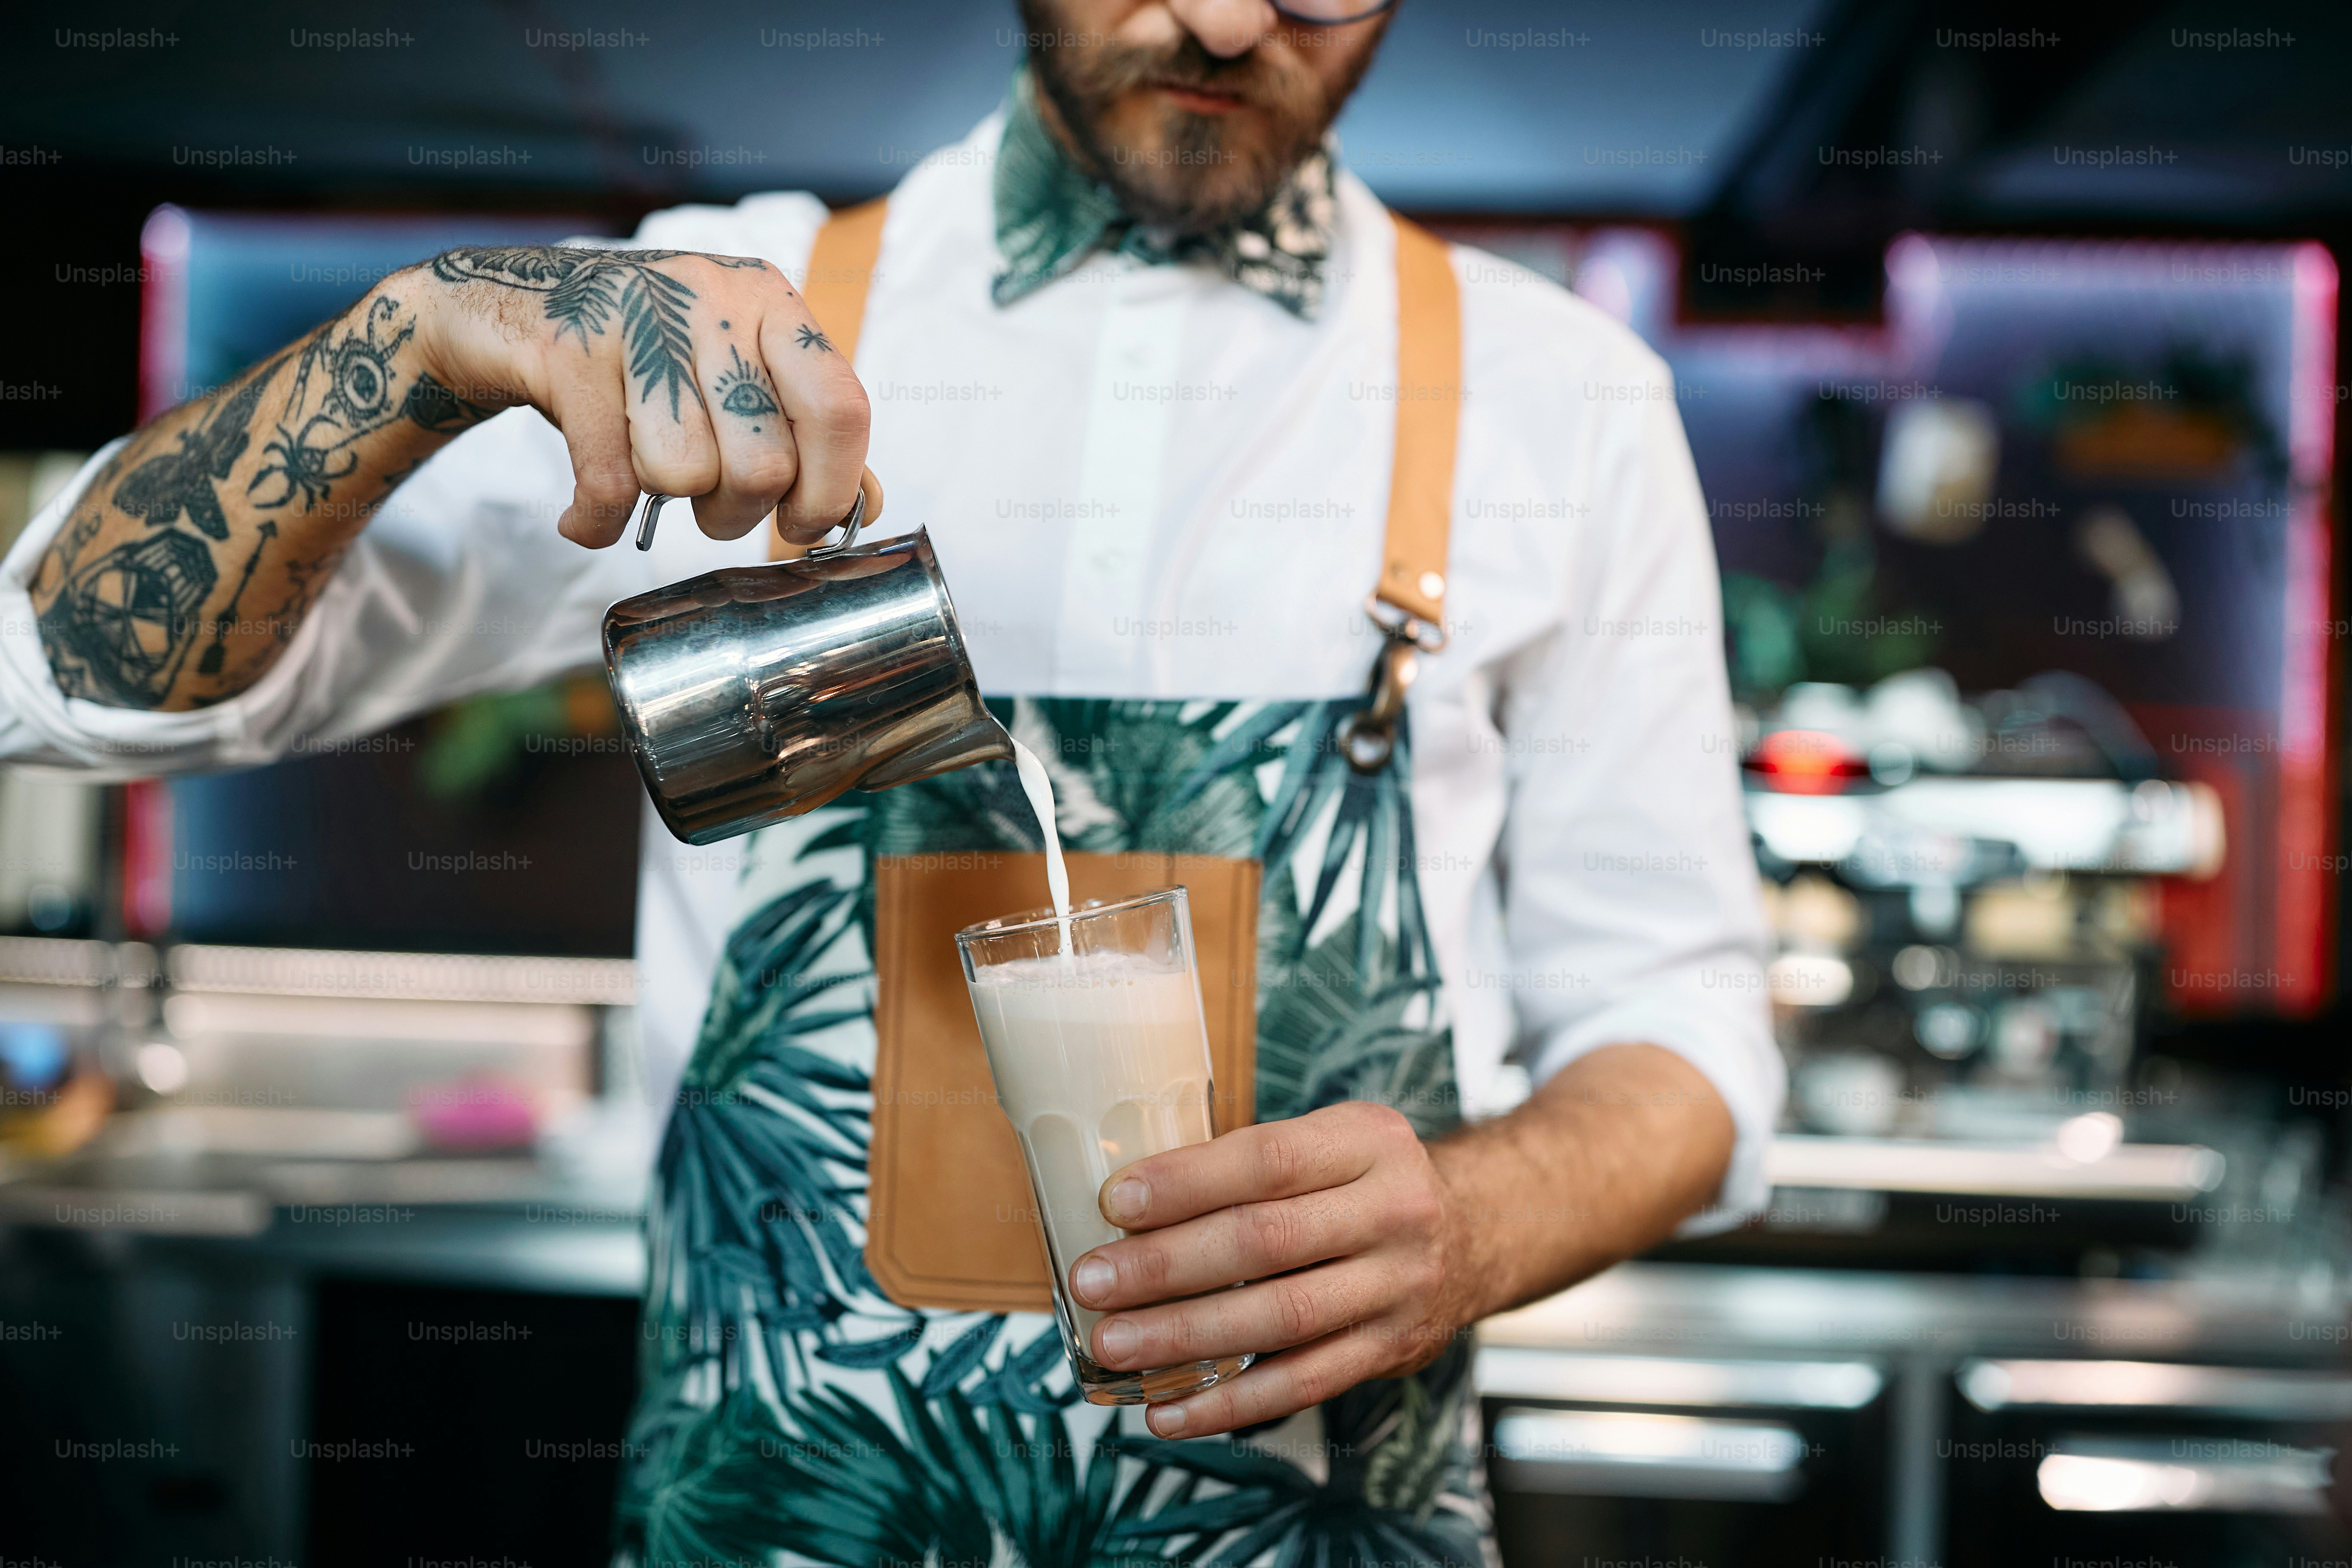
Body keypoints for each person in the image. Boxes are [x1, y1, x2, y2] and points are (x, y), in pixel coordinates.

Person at [0, 0, 1781, 1561]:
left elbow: (1681, 1023)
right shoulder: (710, 323)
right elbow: (71, 676)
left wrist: (1479, 1222)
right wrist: (412, 335)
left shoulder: (1568, 400)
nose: (1233, 21)